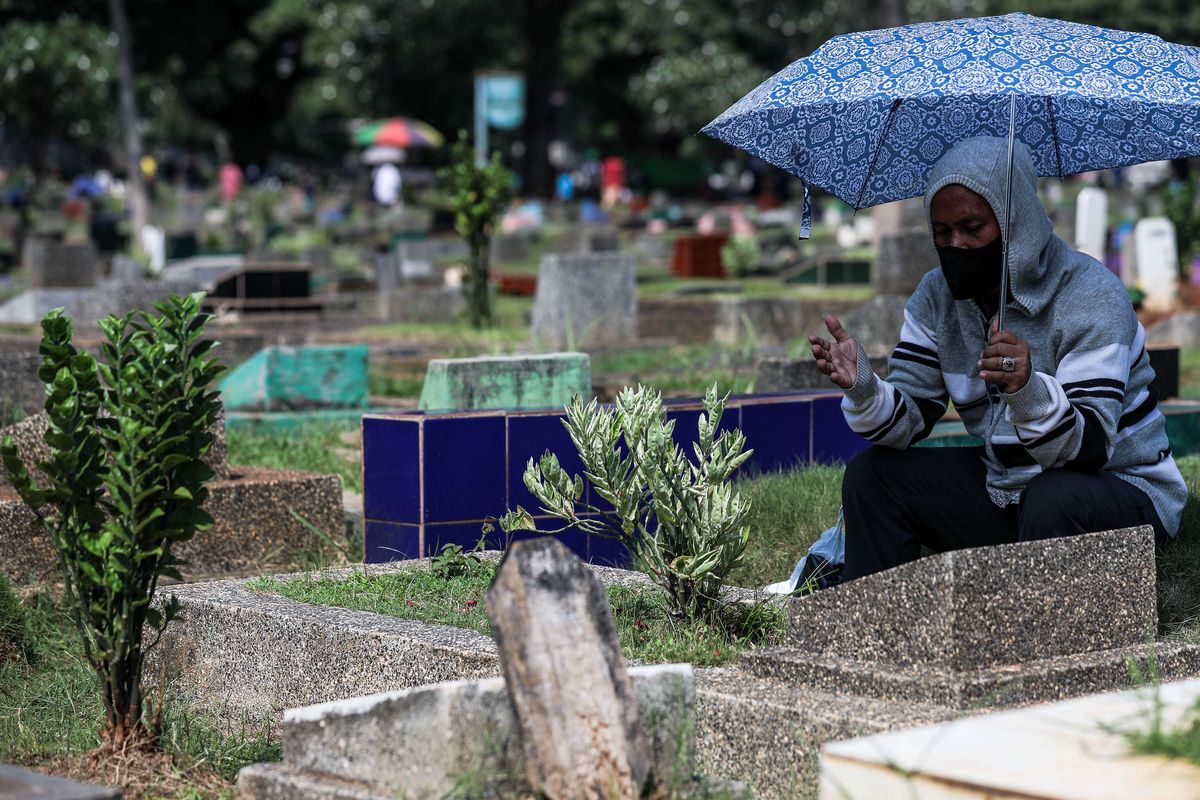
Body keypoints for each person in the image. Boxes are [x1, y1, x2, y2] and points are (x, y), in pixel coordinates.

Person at [809, 136, 1187, 581]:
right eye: (942, 233)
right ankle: (878, 628)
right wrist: (865, 388)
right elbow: (909, 421)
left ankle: (1030, 637)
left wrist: (1028, 392)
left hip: (1120, 486)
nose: (957, 245)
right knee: (873, 477)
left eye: (973, 228)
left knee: (1055, 496)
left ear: (1016, 223)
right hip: (1009, 487)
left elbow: (1090, 448)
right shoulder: (937, 297)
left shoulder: (1090, 295)